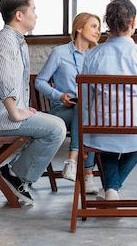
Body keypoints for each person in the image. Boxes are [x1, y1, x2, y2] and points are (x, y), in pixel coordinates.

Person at [0, 0, 67, 205]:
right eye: (33, 9)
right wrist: (16, 112)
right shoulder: (6, 43)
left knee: (56, 123)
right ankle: (16, 176)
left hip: (1, 114)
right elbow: (5, 82)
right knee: (56, 129)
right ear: (19, 15)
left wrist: (24, 108)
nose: (36, 15)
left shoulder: (15, 41)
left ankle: (14, 173)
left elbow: (10, 83)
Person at [80, 0, 137, 200]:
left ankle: (111, 189)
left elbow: (87, 98)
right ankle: (113, 188)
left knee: (104, 143)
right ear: (133, 22)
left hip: (100, 129)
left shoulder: (93, 55)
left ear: (108, 23)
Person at [35, 12, 102, 194]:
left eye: (99, 27)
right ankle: (87, 174)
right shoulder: (60, 53)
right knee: (88, 115)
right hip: (61, 111)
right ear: (79, 28)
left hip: (85, 111)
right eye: (94, 26)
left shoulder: (97, 55)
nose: (98, 31)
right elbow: (39, 82)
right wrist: (59, 95)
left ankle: (72, 161)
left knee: (86, 109)